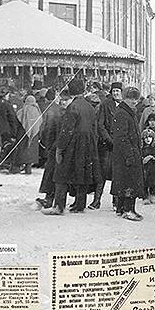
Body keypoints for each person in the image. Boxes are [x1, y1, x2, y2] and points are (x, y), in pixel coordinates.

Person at [42, 79, 99, 216]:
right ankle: (80, 205)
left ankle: (59, 206)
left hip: (73, 145)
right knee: (82, 174)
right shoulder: (89, 107)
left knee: (61, 174)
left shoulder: (72, 107)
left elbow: (66, 130)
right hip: (88, 144)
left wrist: (60, 148)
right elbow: (94, 128)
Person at [110, 87, 144, 221]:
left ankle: (121, 209)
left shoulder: (128, 112)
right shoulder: (123, 113)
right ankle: (128, 209)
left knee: (125, 181)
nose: (134, 101)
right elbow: (121, 137)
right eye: (131, 98)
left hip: (128, 152)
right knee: (129, 181)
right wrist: (129, 155)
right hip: (126, 154)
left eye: (136, 98)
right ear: (124, 98)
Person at [93, 81, 121, 210]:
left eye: (118, 91)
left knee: (117, 174)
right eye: (114, 91)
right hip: (106, 145)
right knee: (102, 173)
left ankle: (116, 202)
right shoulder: (105, 104)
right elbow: (100, 124)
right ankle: (96, 200)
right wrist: (108, 139)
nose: (116, 93)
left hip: (119, 146)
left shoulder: (125, 106)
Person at [37, 92, 66, 209]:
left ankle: (49, 198)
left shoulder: (49, 109)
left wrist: (46, 144)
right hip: (60, 145)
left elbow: (47, 128)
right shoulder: (60, 110)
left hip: (54, 145)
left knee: (51, 173)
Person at [15, 95, 42, 175]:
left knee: (22, 151)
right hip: (34, 133)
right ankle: (28, 168)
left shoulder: (23, 110)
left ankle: (17, 167)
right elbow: (40, 121)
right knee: (31, 151)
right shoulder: (37, 111)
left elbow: (18, 120)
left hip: (23, 133)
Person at [140, 128, 155, 203]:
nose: (148, 139)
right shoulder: (141, 149)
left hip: (154, 169)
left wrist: (152, 157)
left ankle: (153, 194)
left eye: (150, 137)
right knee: (144, 183)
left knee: (153, 182)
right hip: (144, 169)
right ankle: (145, 196)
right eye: (146, 137)